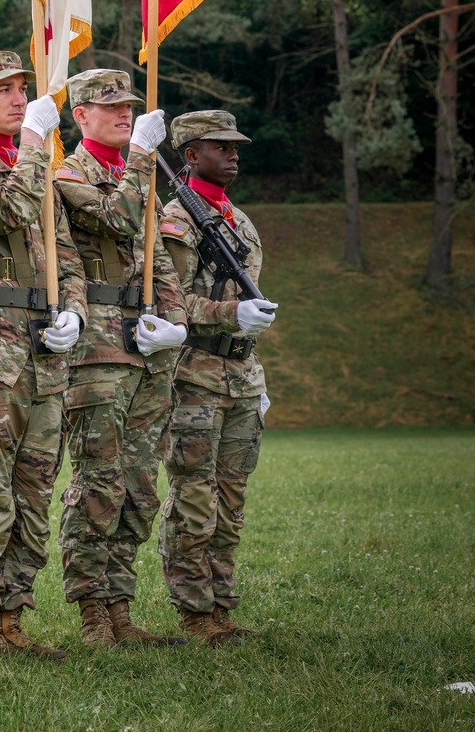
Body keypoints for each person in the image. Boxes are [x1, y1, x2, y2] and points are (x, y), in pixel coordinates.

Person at [0, 51, 88, 661]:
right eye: (1, 90)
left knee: (34, 489)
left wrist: (74, 311)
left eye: (22, 89)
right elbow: (12, 208)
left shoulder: (38, 166)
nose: (16, 98)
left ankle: (14, 611)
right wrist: (35, 139)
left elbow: (68, 255)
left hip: (42, 352)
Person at [54, 70, 189, 648]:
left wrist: (176, 320)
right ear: (79, 116)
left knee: (138, 485)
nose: (123, 115)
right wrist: (140, 157)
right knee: (98, 481)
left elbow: (157, 254)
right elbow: (120, 218)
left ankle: (121, 607)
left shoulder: (137, 176)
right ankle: (92, 615)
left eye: (128, 107)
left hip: (146, 341)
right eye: (108, 108)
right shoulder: (67, 174)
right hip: (98, 349)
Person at [157, 110, 278, 644]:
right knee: (194, 501)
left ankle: (222, 608)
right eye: (219, 146)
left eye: (235, 146)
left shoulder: (241, 222)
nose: (233, 154)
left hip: (240, 374)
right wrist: (231, 318)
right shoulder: (176, 220)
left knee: (230, 502)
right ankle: (194, 613)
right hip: (195, 376)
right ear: (189, 154)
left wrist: (257, 369)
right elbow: (171, 299)